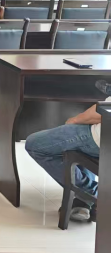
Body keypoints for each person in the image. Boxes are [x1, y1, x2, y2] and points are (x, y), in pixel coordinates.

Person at [25, 91, 106, 222]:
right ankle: (83, 201)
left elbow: (102, 111)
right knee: (77, 143)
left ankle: (91, 192)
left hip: (102, 139)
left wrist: (74, 120)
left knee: (35, 145)